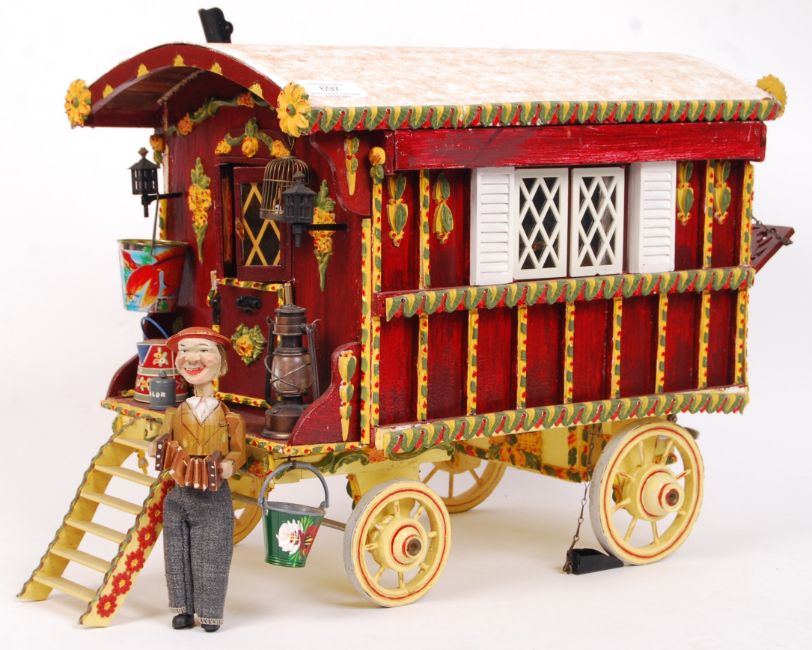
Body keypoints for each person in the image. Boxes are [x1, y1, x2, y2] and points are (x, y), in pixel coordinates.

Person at [149, 326, 246, 632]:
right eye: (184, 351)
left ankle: (209, 613)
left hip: (212, 493)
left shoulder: (230, 418)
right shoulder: (175, 413)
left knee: (212, 553)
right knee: (175, 552)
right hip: (180, 490)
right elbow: (163, 438)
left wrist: (230, 465)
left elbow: (239, 451)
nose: (192, 358)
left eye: (203, 350)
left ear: (221, 363)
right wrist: (156, 446)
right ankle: (182, 609)